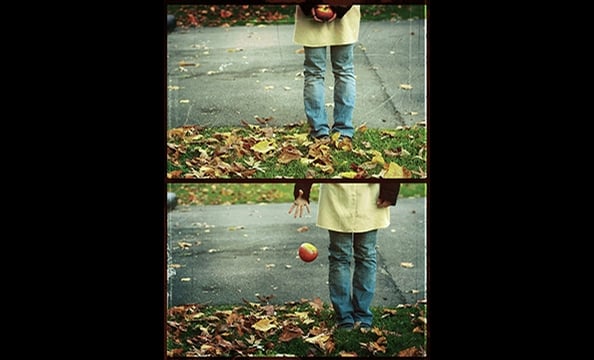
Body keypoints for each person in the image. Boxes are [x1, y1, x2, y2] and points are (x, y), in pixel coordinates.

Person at [288, 181, 401, 330]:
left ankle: (362, 315)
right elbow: (312, 161)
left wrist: (390, 190)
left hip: (370, 193)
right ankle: (344, 317)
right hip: (336, 192)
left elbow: (390, 162)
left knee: (365, 256)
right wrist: (302, 190)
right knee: (341, 257)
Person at [293, 2, 361, 143]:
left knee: (314, 73)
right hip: (345, 14)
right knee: (344, 71)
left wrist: (310, 7)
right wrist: (339, 8)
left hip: (312, 13)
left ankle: (319, 132)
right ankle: (343, 131)